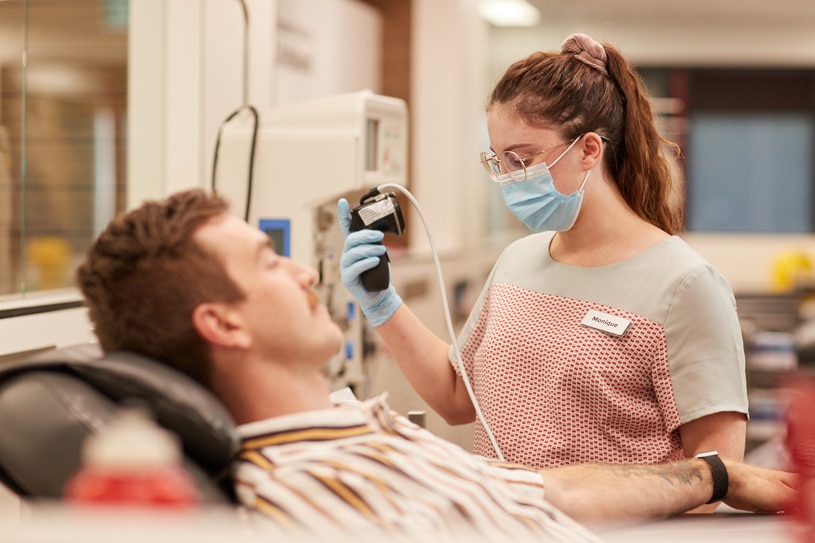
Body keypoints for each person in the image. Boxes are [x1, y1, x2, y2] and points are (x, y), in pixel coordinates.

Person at [76, 188, 792, 542]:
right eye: (269, 259)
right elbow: (462, 397)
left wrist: (713, 473)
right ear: (221, 321)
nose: (300, 271)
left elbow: (542, 493)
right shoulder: (315, 492)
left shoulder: (350, 427)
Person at [338, 33, 748, 489]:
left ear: (590, 149)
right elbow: (458, 396)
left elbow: (717, 479)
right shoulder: (518, 261)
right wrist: (382, 304)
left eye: (524, 159)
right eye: (500, 162)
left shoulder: (686, 285)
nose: (511, 179)